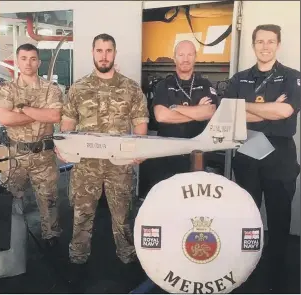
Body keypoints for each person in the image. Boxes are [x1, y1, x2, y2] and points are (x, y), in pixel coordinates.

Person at [57, 33, 149, 270]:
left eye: (109, 51)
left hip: (120, 165)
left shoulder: (130, 88)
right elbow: (67, 123)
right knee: (81, 215)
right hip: (87, 166)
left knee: (123, 216)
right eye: (100, 50)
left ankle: (127, 255)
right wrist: (64, 148)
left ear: (114, 53)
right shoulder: (78, 88)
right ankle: (78, 256)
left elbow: (140, 124)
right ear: (93, 53)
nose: (104, 56)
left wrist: (138, 149)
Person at [224, 24, 300, 293]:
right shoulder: (239, 78)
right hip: (247, 152)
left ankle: (277, 275)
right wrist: (267, 111)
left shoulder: (293, 77)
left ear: (278, 44)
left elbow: (285, 111)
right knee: (247, 215)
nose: (265, 46)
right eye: (260, 41)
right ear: (253, 45)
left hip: (280, 156)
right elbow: (229, 114)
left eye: (270, 41)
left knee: (279, 218)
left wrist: (246, 108)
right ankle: (246, 267)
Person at [0, 43, 63, 247]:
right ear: (17, 61)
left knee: (49, 201)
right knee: (10, 200)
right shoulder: (7, 89)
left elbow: (55, 115)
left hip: (44, 155)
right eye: (23, 58)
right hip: (15, 155)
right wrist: (37, 114)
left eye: (33, 58)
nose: (28, 63)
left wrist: (23, 109)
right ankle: (11, 240)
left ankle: (51, 239)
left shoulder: (51, 89)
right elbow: (5, 119)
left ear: (39, 62)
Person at [150, 40, 218, 185]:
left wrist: (176, 107)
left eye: (189, 54)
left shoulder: (205, 84)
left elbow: (210, 112)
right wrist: (196, 111)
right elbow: (161, 116)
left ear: (195, 57)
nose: (185, 59)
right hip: (167, 157)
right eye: (181, 55)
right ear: (174, 57)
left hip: (197, 156)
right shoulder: (164, 85)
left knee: (194, 201)